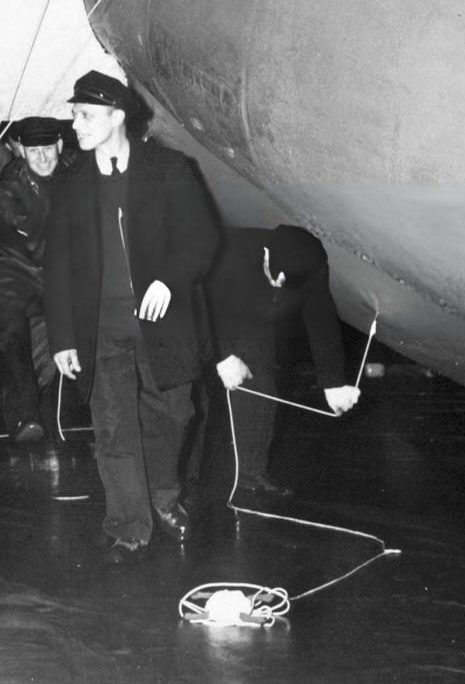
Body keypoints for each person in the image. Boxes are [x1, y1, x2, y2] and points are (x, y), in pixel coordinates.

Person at [43, 70, 219, 564]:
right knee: (113, 427)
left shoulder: (169, 168)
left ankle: (163, 497)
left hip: (164, 324)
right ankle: (128, 526)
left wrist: (169, 278)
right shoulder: (71, 181)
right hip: (100, 328)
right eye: (75, 115)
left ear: (117, 116)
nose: (75, 125)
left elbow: (203, 238)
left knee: (174, 417)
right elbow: (56, 265)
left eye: (86, 115)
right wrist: (62, 337)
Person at [202, 224, 360, 501]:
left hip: (256, 317)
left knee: (263, 387)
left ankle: (250, 473)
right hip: (205, 308)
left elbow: (321, 320)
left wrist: (333, 383)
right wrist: (225, 355)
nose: (280, 282)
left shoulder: (312, 266)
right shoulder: (233, 252)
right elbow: (208, 306)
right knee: (197, 398)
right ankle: (201, 479)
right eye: (278, 275)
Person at [0, 116, 65, 443]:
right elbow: (38, 241)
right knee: (12, 338)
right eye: (34, 151)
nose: (43, 158)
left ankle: (45, 414)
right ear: (21, 151)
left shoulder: (72, 171)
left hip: (46, 270)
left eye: (48, 149)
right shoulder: (6, 190)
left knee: (49, 351)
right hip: (3, 270)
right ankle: (24, 417)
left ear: (60, 145)